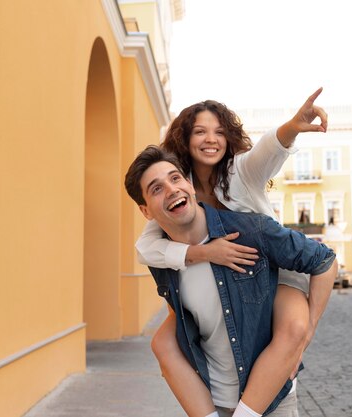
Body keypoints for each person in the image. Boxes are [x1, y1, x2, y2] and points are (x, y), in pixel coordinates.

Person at [136, 89, 330, 416]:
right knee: (163, 343)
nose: (211, 139)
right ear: (184, 138)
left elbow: (269, 148)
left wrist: (293, 126)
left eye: (219, 132)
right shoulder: (178, 186)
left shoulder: (241, 171)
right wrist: (204, 254)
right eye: (200, 131)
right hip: (221, 279)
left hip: (277, 271)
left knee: (293, 329)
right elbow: (146, 247)